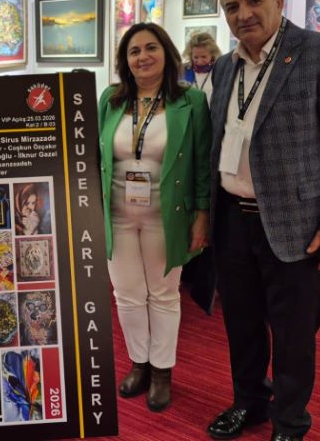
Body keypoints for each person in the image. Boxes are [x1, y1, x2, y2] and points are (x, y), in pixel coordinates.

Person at [205, 0, 320, 441]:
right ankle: (249, 403)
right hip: (232, 221)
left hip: (298, 225)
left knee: (294, 333)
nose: (243, 14)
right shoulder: (224, 66)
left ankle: (290, 421)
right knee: (241, 325)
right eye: (232, 6)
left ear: (279, 2)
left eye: (254, 1)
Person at [99, 22, 211, 412]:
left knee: (163, 294)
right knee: (126, 295)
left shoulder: (191, 101)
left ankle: (162, 371)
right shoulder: (110, 100)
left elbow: (201, 163)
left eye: (151, 48)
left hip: (167, 216)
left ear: (166, 53)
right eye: (134, 51)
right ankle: (139, 363)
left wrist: (202, 214)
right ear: (124, 60)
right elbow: (96, 158)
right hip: (117, 215)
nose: (143, 57)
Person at [182, 31, 221, 104]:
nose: (199, 61)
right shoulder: (183, 71)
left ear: (212, 55)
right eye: (196, 57)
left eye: (204, 57)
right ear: (190, 55)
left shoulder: (219, 71)